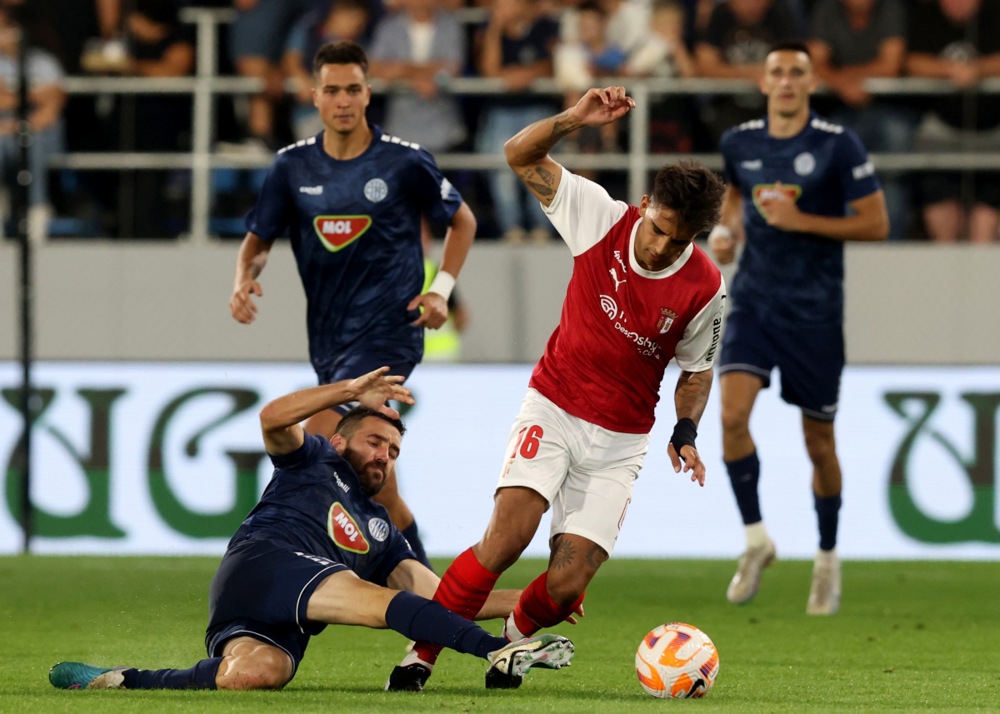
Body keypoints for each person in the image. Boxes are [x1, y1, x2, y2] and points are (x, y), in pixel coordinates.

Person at [387, 85, 728, 692]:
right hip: (555, 406)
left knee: (569, 584)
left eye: (679, 241)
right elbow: (517, 155)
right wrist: (574, 118)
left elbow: (697, 370)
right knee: (507, 538)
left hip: (621, 439)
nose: (661, 247)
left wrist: (685, 430)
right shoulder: (600, 216)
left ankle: (510, 644)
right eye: (658, 229)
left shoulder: (705, 286)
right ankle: (421, 656)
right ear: (645, 205)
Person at [48, 368, 574, 692]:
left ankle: (121, 679)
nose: (384, 456)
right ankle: (493, 651)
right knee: (371, 599)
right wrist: (349, 390)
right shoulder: (315, 459)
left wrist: (527, 600)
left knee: (255, 675)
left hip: (292, 613)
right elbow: (272, 419)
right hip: (263, 563)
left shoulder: (383, 532)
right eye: (375, 442)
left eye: (393, 451)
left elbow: (441, 598)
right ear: (342, 441)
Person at [229, 41, 477, 570]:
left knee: (318, 448)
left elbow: (462, 220)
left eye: (353, 89)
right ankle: (430, 596)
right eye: (333, 90)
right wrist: (244, 278)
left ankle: (271, 566)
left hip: (390, 334)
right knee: (377, 486)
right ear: (314, 96)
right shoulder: (291, 166)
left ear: (368, 94)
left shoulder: (404, 161)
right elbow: (258, 239)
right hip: (330, 343)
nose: (343, 100)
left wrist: (441, 289)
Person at [707, 41, 888, 616]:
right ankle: (756, 540)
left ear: (811, 83)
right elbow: (735, 199)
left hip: (815, 313)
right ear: (764, 83)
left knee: (819, 444)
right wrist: (726, 234)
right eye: (777, 72)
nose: (786, 81)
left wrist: (801, 220)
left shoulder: (837, 144)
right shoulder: (739, 142)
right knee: (731, 416)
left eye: (797, 73)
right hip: (754, 305)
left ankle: (827, 558)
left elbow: (876, 223)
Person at [807, 0, 915, 241]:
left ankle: (888, 245)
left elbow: (891, 66)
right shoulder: (827, 9)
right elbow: (815, 63)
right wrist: (842, 83)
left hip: (888, 108)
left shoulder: (891, 9)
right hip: (839, 109)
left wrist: (847, 78)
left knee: (891, 172)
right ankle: (847, 244)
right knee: (839, 175)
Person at [904, 0, 1000, 243]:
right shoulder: (927, 16)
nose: (957, 4)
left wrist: (977, 69)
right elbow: (910, 62)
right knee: (941, 213)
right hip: (942, 130)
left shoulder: (995, 14)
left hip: (993, 132)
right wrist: (948, 70)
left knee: (984, 231)